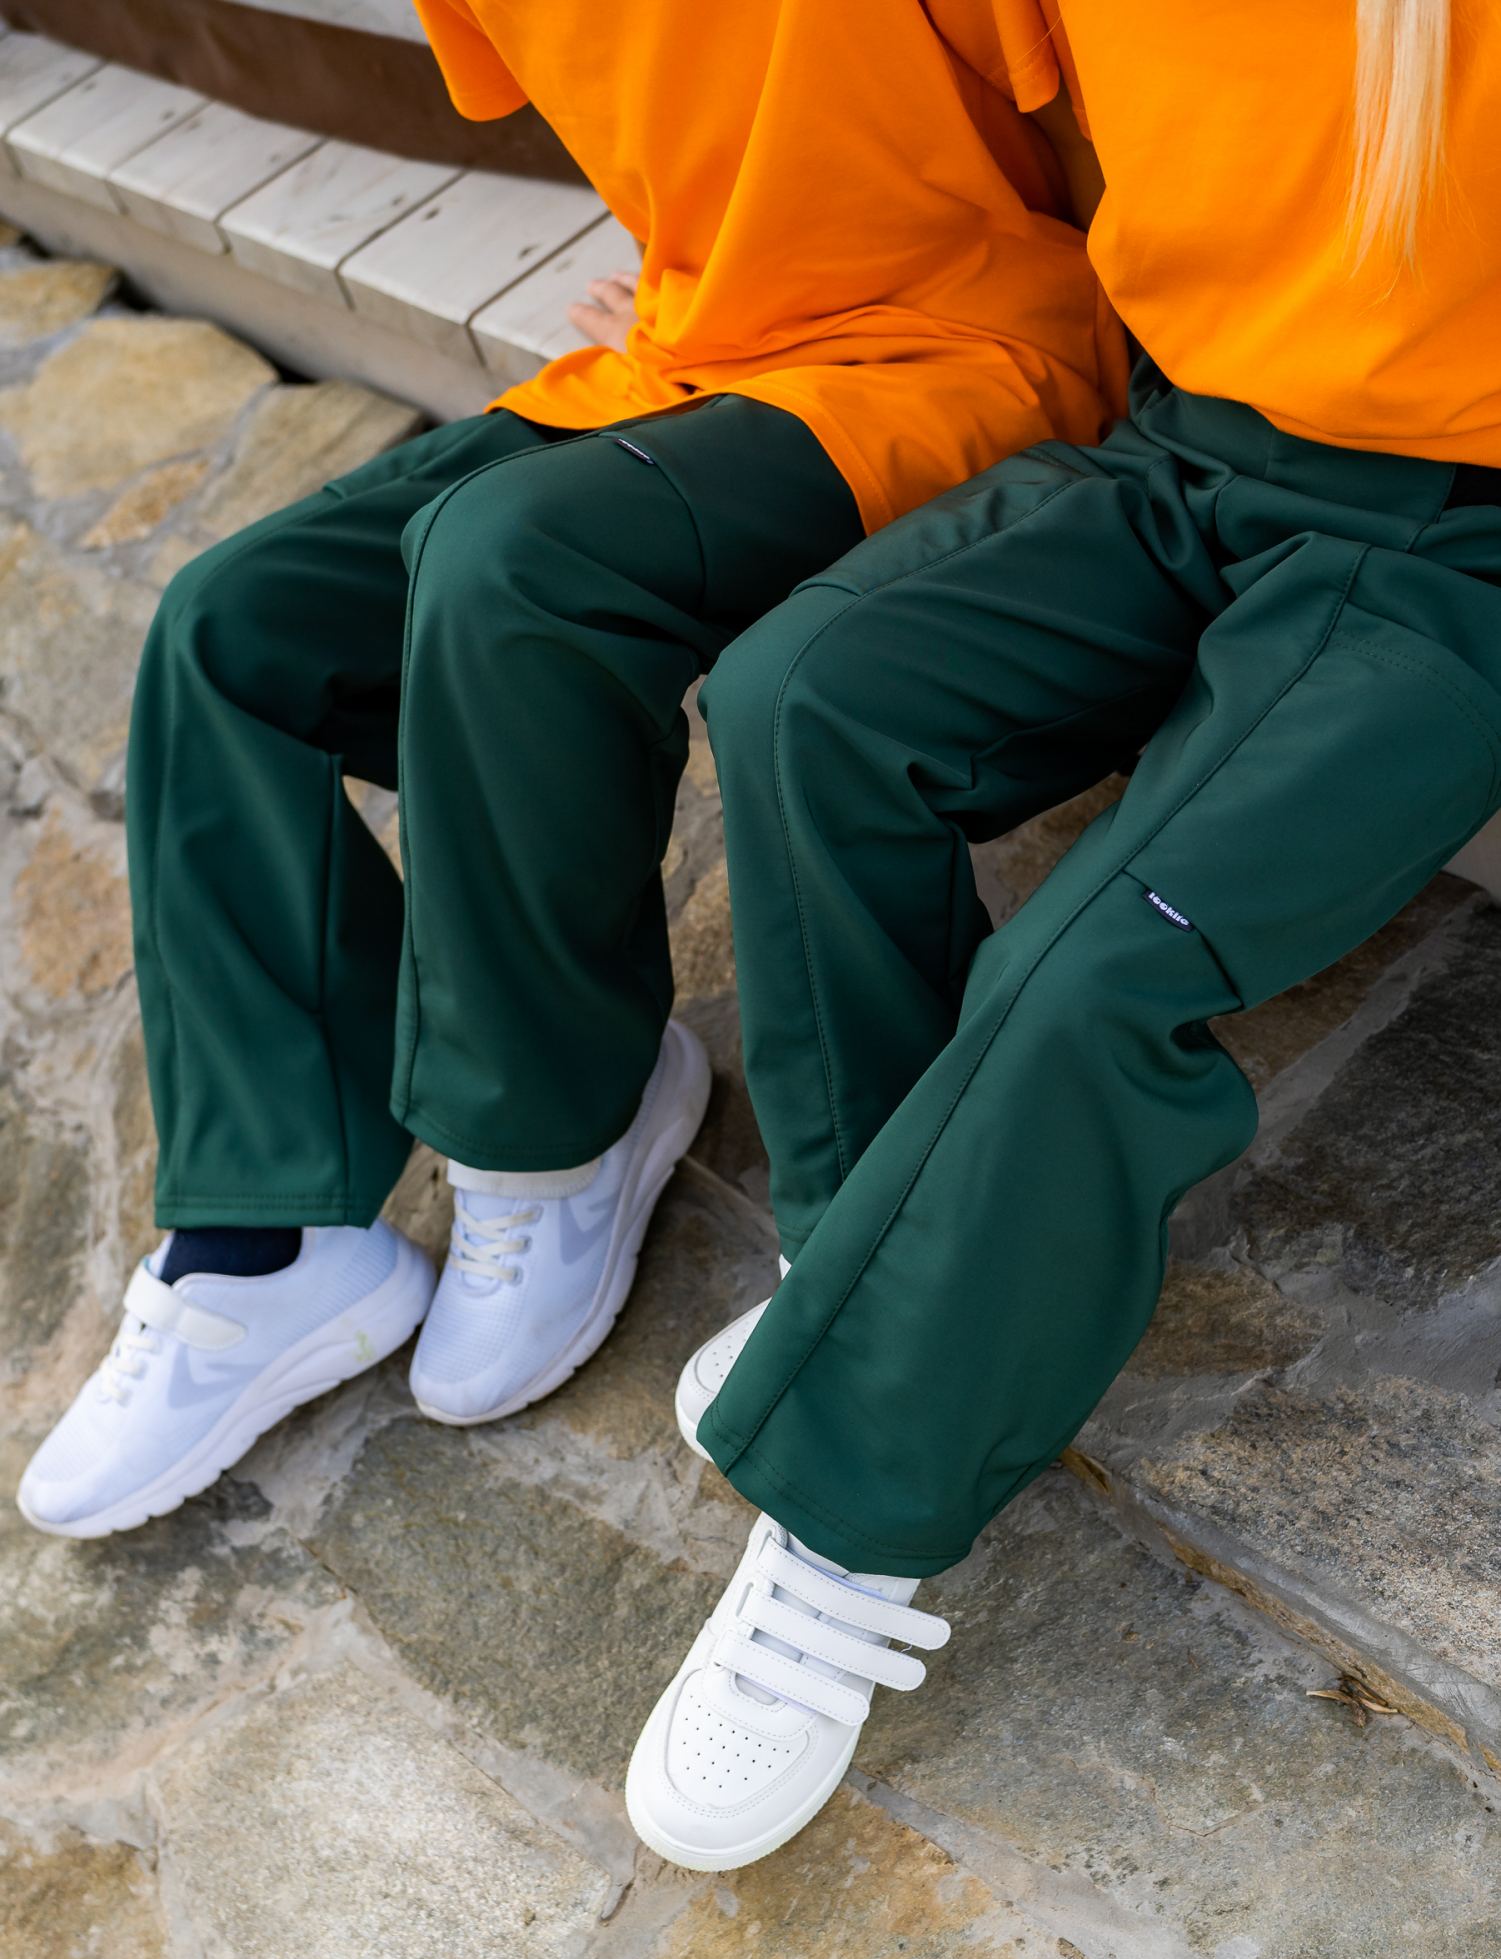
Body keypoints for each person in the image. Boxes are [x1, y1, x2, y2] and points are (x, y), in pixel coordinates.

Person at [15, 0, 1122, 1538]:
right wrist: (706, 269)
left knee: (511, 563)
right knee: (234, 622)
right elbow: (681, 113)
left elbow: (1107, 107)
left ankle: (553, 1135)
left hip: (949, 348)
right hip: (688, 356)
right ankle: (267, 1234)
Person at [629, 0, 1501, 1870]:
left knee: (1097, 960)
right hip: (1187, 447)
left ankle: (849, 1522)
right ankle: (867, 1277)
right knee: (801, 695)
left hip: (1459, 536)